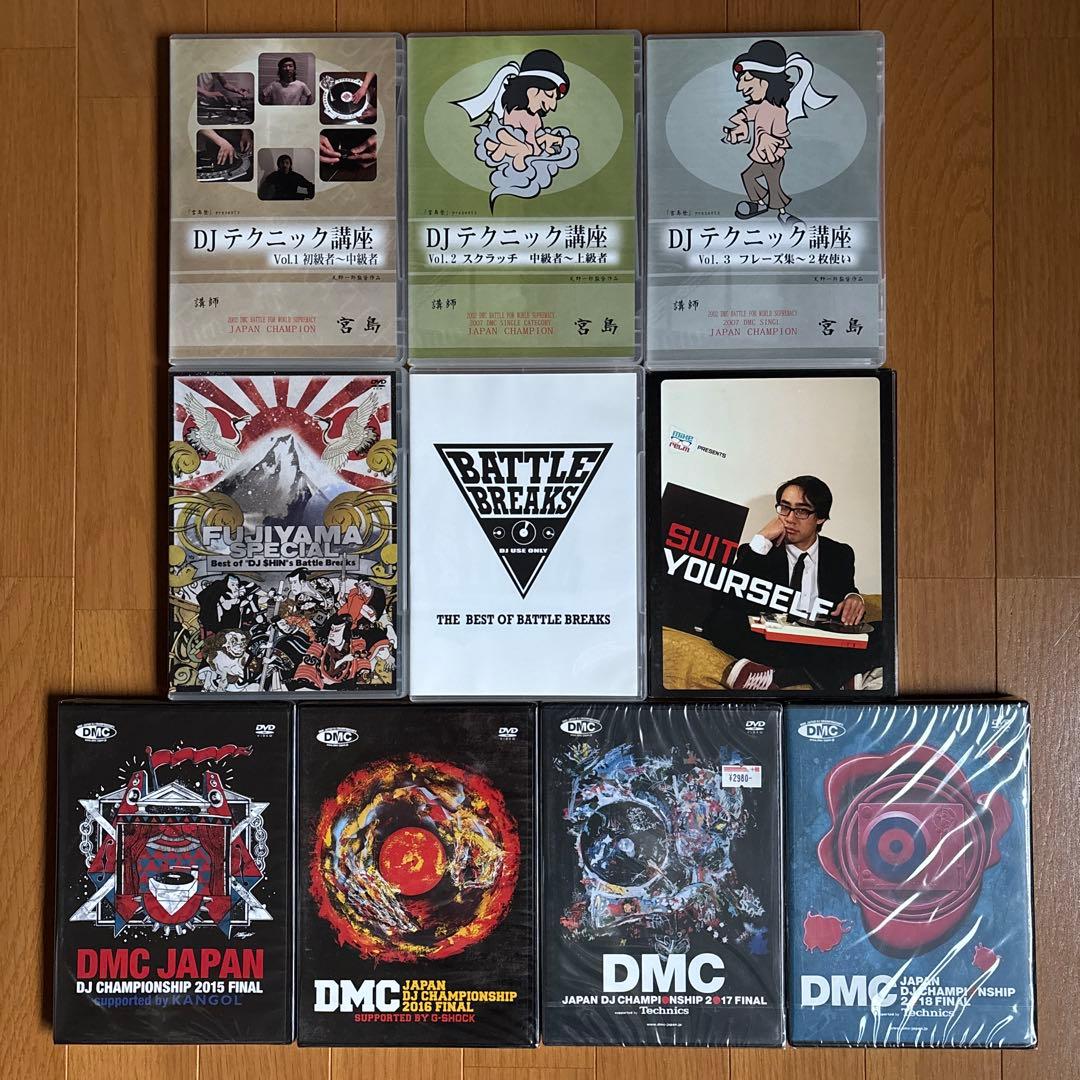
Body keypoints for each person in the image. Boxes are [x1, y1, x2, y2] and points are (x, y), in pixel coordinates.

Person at [705, 475, 882, 690]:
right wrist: (762, 538)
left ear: (820, 518)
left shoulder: (839, 554)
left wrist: (853, 597)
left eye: (801, 511)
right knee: (721, 620)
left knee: (885, 630)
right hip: (774, 640)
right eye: (785, 508)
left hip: (817, 638)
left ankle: (779, 677)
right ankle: (840, 674)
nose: (789, 518)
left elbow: (847, 591)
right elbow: (726, 598)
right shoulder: (760, 550)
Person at [722, 39, 834, 223]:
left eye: (747, 79)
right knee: (747, 176)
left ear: (767, 80)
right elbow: (745, 113)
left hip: (772, 159)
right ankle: (759, 203)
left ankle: (783, 214)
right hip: (760, 157)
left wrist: (768, 140)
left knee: (774, 187)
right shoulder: (760, 107)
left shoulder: (779, 111)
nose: (740, 87)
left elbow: (781, 135)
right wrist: (740, 126)